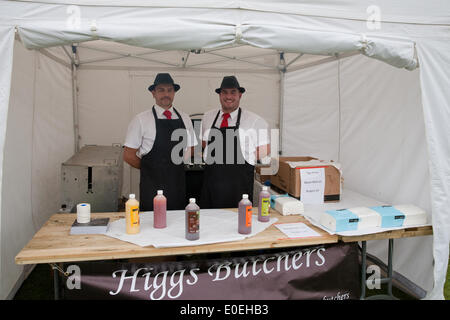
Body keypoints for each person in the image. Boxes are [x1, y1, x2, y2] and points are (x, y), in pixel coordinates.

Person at [123, 73, 197, 211]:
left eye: (169, 90)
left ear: (174, 93)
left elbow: (191, 147)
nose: (166, 94)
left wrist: (176, 164)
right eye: (161, 90)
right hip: (152, 185)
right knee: (151, 224)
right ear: (153, 93)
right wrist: (149, 167)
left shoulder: (185, 118)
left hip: (177, 184)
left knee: (177, 223)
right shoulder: (140, 120)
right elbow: (128, 155)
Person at [200, 76, 270, 209]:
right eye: (224, 92)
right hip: (211, 187)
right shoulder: (208, 117)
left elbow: (264, 150)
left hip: (238, 189)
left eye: (233, 92)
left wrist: (243, 158)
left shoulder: (255, 121)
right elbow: (204, 144)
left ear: (240, 95)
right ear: (219, 95)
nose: (228, 96)